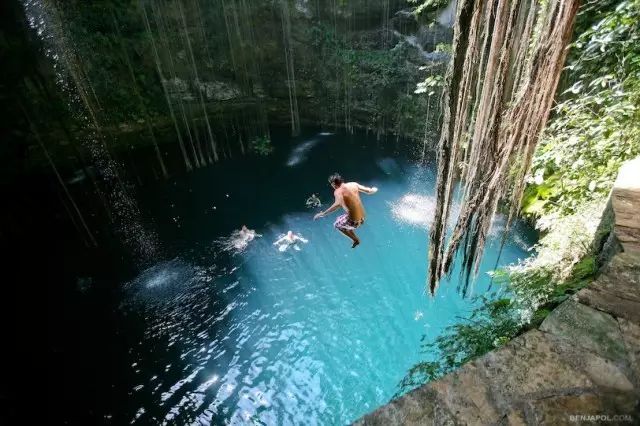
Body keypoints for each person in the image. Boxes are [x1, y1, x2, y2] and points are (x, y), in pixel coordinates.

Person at [314, 173, 378, 248]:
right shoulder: (353, 184)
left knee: (337, 225)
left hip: (354, 222)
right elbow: (369, 191)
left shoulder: (338, 192)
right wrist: (374, 189)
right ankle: (350, 229)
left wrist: (323, 214)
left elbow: (337, 205)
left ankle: (355, 240)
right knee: (340, 218)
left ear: (334, 184)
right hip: (363, 217)